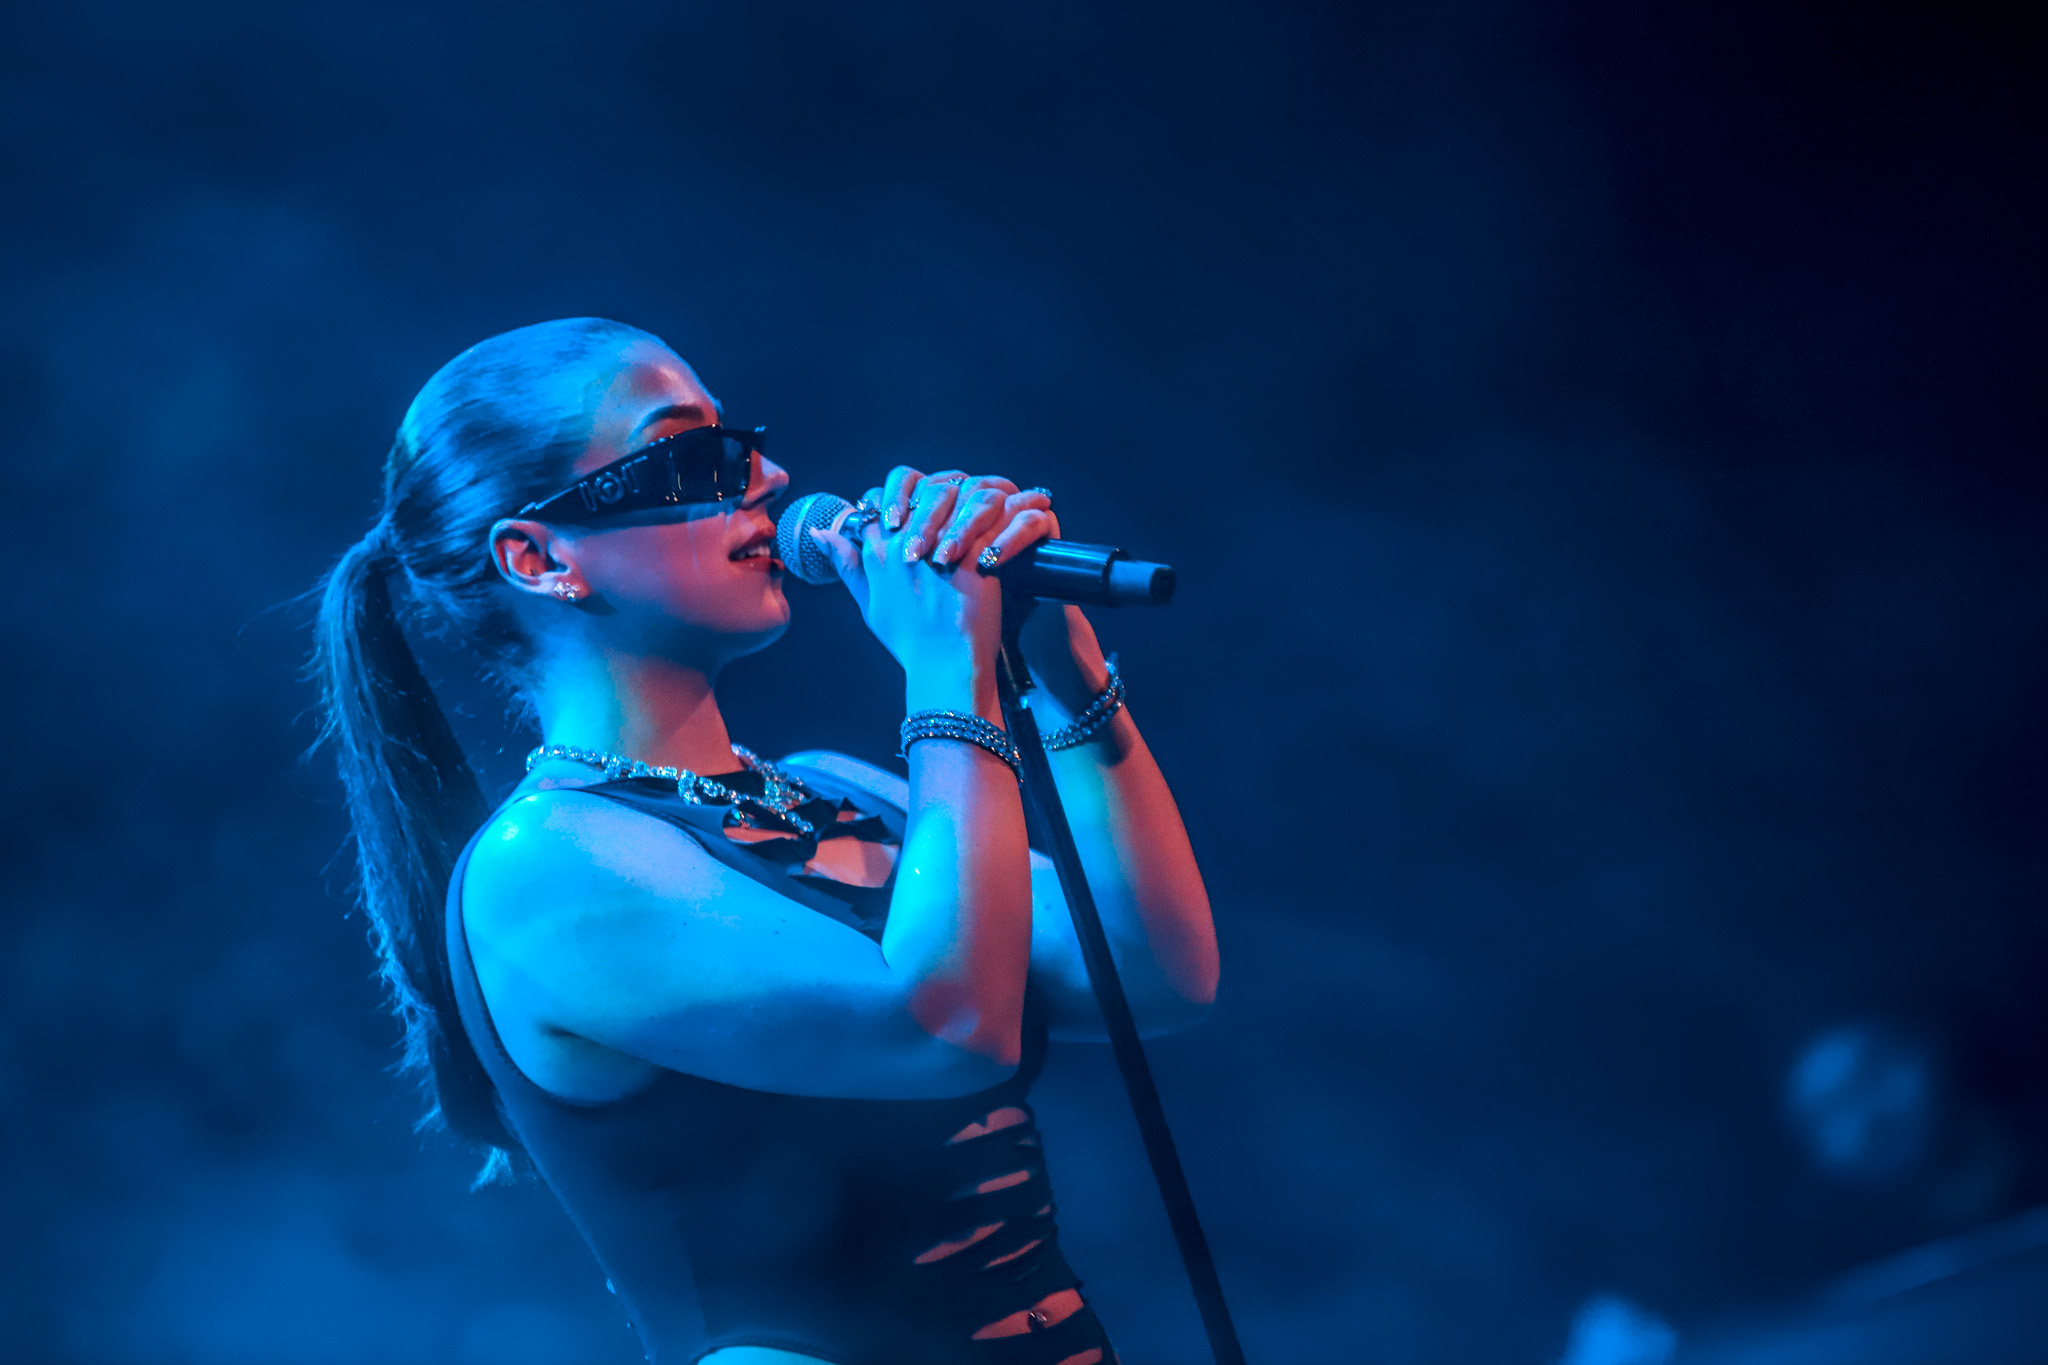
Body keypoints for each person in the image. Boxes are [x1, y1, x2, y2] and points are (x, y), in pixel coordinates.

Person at [313, 317, 1220, 1365]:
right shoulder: (546, 867)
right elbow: (945, 1030)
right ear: (539, 556)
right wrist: (945, 670)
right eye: (692, 454)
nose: (770, 478)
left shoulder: (835, 790)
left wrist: (1063, 668)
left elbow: (1154, 978)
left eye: (742, 443)